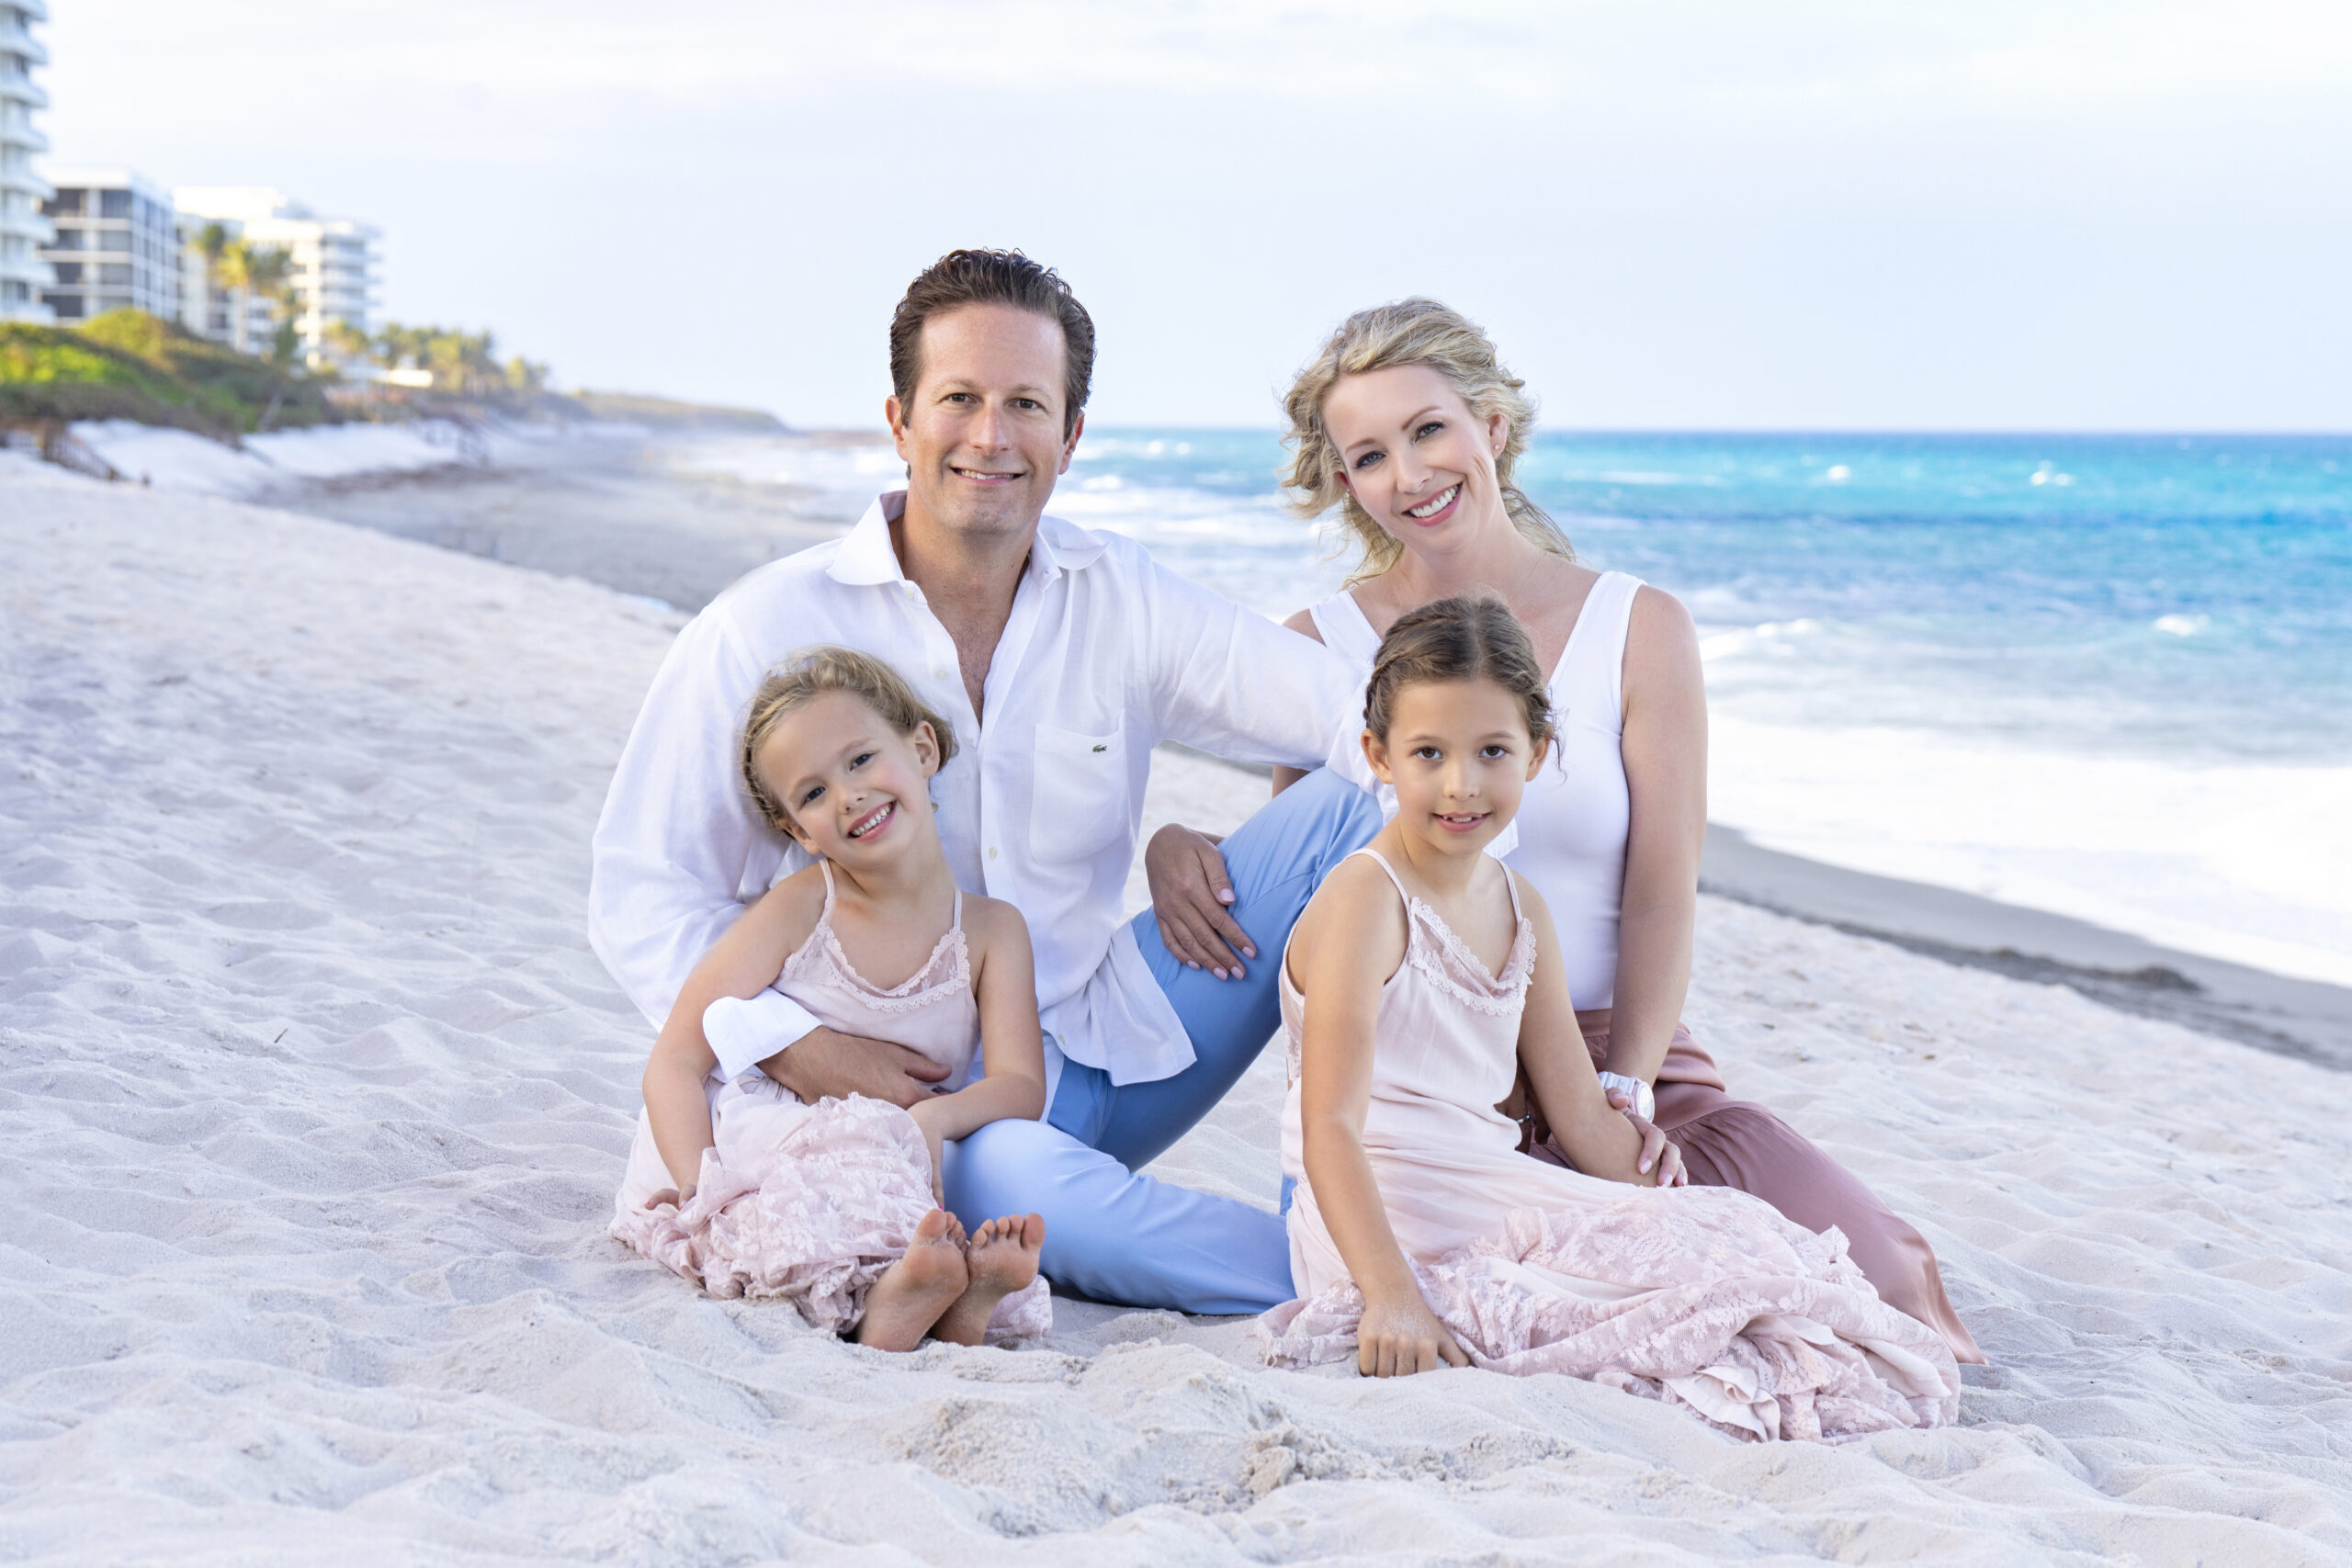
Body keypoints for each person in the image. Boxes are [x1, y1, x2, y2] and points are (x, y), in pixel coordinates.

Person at [590, 249, 1384, 1314]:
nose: (990, 437)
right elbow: (643, 894)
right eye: (958, 400)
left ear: (1071, 434)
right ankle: (1364, 1281)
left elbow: (1360, 715)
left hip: (1107, 1044)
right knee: (1025, 1181)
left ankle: (1359, 1186)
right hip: (917, 1109)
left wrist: (1210, 833)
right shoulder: (763, 630)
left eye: (1025, 405)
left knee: (1367, 797)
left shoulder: (1123, 599)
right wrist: (801, 1047)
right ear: (899, 419)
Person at [1240, 297, 1983, 1362]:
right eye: (1367, 456)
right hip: (1437, 1096)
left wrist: (1619, 1094)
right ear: (1344, 481)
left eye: (1428, 430)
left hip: (1616, 1058)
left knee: (1876, 1276)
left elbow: (1660, 888)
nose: (1407, 474)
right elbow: (1304, 890)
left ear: (1491, 426)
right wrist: (1185, 856)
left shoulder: (1636, 626)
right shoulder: (1316, 648)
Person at [1264, 595, 1960, 1441]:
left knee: (1736, 1236)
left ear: (1538, 752)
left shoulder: (1522, 908)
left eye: (1493, 751)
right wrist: (1391, 1294)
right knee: (1679, 1315)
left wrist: (1644, 1166)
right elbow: (1328, 1124)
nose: (1462, 783)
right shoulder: (1366, 899)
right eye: (1428, 753)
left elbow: (1579, 1111)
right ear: (1378, 755)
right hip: (1392, 1211)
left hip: (1494, 1184)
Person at [611, 648, 1049, 1349]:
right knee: (851, 1178)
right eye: (812, 794)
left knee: (892, 1176)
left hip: (886, 1150)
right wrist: (705, 1192)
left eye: (860, 760)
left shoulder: (993, 931)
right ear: (797, 832)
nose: (847, 796)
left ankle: (943, 1304)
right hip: (746, 1143)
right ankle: (893, 1311)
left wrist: (937, 1116)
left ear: (923, 747)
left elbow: (1021, 1084)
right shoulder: (803, 908)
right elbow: (674, 1062)